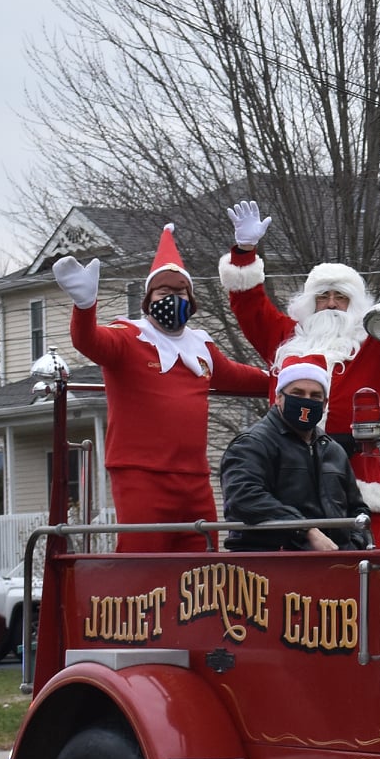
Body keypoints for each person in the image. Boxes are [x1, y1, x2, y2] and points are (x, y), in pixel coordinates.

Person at [51, 225, 273, 553]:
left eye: (180, 292)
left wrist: (295, 376)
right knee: (144, 566)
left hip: (194, 479)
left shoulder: (201, 348)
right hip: (141, 475)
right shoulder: (129, 337)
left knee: (204, 569)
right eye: (163, 292)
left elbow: (247, 378)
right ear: (148, 300)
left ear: (191, 299)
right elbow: (89, 341)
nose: (172, 298)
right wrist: (85, 307)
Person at [217, 200, 380, 510]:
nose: (332, 304)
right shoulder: (284, 336)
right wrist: (244, 251)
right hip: (285, 468)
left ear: (355, 303)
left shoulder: (374, 343)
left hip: (356, 473)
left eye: (341, 297)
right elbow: (247, 304)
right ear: (311, 301)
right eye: (323, 296)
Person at [220, 355, 372, 551]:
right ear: (279, 398)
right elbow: (243, 498)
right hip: (274, 567)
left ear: (325, 403)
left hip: (338, 566)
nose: (306, 401)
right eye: (297, 393)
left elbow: (357, 508)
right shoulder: (252, 444)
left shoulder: (333, 450)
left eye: (315, 396)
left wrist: (353, 545)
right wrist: (305, 530)